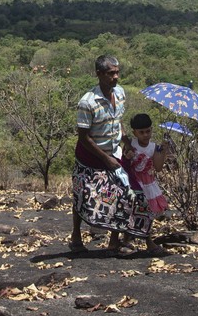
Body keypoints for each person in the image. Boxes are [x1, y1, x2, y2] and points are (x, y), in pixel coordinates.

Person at [70, 54, 143, 254]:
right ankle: (76, 236)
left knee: (122, 193)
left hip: (113, 151)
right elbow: (84, 137)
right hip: (90, 156)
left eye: (117, 72)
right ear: (99, 74)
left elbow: (117, 121)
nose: (116, 77)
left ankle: (114, 240)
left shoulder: (119, 94)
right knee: (81, 195)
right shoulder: (88, 102)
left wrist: (126, 141)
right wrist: (105, 158)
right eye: (111, 73)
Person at [121, 112, 171, 256]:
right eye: (141, 132)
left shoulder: (154, 147)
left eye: (148, 131)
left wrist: (164, 151)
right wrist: (127, 156)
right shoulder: (130, 144)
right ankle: (127, 238)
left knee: (148, 213)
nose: (145, 135)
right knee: (130, 211)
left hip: (148, 184)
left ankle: (147, 240)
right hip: (133, 182)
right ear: (135, 132)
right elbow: (125, 164)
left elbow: (159, 167)